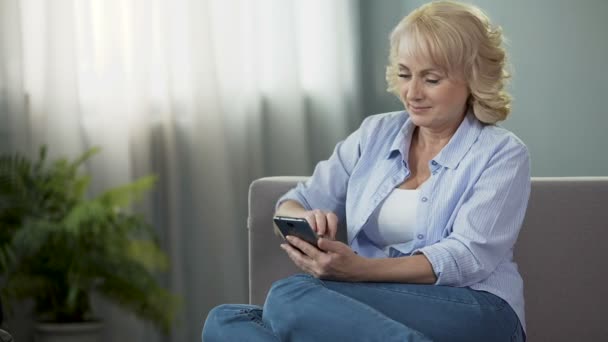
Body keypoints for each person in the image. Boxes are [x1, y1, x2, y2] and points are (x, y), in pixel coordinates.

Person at [203, 1, 529, 341]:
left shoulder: (502, 153)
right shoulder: (375, 134)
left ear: (473, 78)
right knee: (225, 319)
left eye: (431, 79)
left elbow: (468, 256)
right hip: (374, 307)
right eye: (404, 74)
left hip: (479, 311)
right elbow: (291, 204)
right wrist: (305, 218)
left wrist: (361, 270)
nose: (412, 93)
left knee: (289, 297)